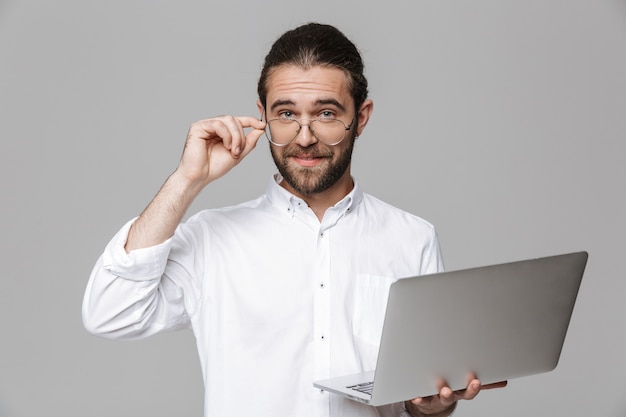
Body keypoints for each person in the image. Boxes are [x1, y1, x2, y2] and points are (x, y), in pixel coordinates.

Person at [82, 22, 505, 417]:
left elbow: (423, 395)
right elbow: (110, 311)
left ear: (361, 117)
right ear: (263, 115)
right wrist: (187, 180)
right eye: (286, 114)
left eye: (326, 114)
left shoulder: (413, 238)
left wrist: (433, 406)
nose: (304, 137)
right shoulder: (211, 238)